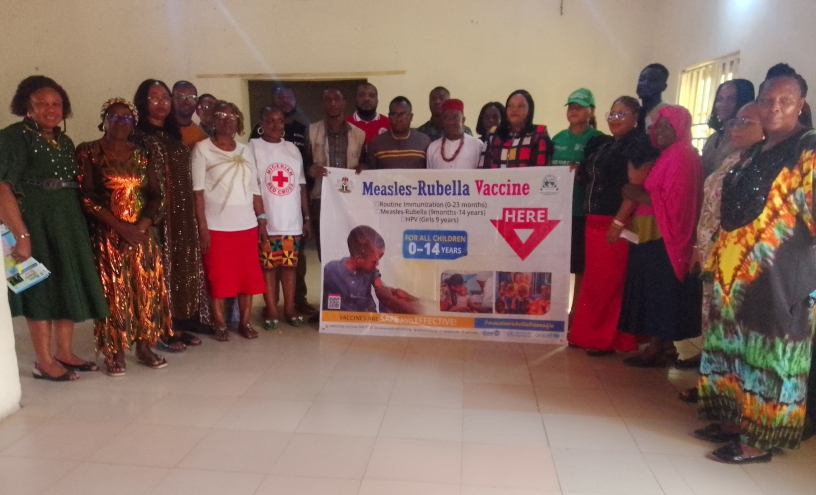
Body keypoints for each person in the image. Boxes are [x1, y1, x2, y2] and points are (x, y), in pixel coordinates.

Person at [695, 69, 816, 463]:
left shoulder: (808, 148)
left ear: (800, 105)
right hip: (735, 270)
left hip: (781, 273)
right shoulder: (754, 151)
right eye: (767, 100)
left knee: (770, 353)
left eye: (785, 100)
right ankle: (734, 422)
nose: (774, 107)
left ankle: (759, 440)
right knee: (732, 345)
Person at [0, 75, 109, 381]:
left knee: (65, 283)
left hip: (67, 220)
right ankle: (44, 361)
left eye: (56, 104)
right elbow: (4, 187)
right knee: (39, 288)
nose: (51, 110)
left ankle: (64, 351)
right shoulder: (14, 137)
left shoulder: (65, 141)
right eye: (42, 104)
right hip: (35, 221)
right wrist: (21, 235)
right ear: (27, 107)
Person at [676, 102, 764, 400]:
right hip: (710, 254)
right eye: (735, 121)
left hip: (736, 260)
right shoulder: (733, 159)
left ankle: (726, 394)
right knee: (711, 322)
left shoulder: (763, 165)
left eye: (746, 122)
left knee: (730, 327)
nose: (736, 127)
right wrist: (698, 247)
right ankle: (710, 386)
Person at [77, 98, 171, 375]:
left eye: (127, 118)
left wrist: (139, 228)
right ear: (104, 121)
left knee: (146, 290)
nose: (120, 122)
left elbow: (158, 196)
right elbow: (87, 196)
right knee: (113, 292)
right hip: (108, 234)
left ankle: (145, 345)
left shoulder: (144, 154)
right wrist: (121, 227)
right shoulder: (89, 151)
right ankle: (114, 349)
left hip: (142, 235)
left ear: (134, 124)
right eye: (114, 117)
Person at [619, 105, 703, 367]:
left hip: (666, 234)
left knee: (660, 291)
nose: (661, 131)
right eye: (659, 125)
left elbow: (676, 200)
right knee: (658, 290)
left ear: (682, 128)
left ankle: (656, 348)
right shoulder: (671, 154)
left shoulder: (681, 155)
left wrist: (639, 195)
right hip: (657, 232)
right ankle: (663, 345)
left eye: (669, 125)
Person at [134, 79, 205, 348]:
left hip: (183, 211)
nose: (161, 102)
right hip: (156, 213)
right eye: (154, 97)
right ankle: (159, 328)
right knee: (159, 270)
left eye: (165, 97)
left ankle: (180, 320)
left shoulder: (174, 133)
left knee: (182, 266)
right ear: (143, 102)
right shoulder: (138, 136)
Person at [192, 101, 266, 341]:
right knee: (219, 278)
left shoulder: (245, 150)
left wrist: (262, 220)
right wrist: (203, 228)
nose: (227, 120)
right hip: (217, 227)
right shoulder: (202, 149)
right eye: (221, 115)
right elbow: (198, 193)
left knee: (247, 278)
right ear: (212, 120)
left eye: (232, 116)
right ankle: (220, 324)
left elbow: (255, 190)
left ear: (239, 121)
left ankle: (245, 323)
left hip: (246, 226)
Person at [248, 86, 314, 316]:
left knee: (289, 266)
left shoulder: (292, 149)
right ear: (261, 123)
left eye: (279, 120)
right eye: (270, 120)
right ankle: (271, 309)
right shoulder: (252, 147)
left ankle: (289, 308)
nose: (276, 125)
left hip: (291, 221)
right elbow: (252, 186)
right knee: (269, 267)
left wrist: (306, 217)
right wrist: (260, 218)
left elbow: (301, 186)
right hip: (268, 220)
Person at [551, 88, 603, 326]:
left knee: (580, 266)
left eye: (580, 107)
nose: (574, 111)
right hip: (557, 213)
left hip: (582, 212)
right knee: (558, 263)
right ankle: (556, 310)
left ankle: (576, 314)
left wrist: (582, 172)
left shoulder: (598, 140)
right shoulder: (557, 139)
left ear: (590, 111)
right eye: (571, 106)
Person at [307, 88, 365, 259]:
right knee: (325, 250)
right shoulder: (312, 131)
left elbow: (365, 163)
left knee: (351, 248)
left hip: (350, 201)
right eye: (328, 99)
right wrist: (310, 170)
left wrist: (363, 167)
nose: (333, 103)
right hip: (321, 200)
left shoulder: (359, 134)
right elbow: (303, 164)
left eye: (337, 99)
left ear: (344, 104)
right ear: (323, 104)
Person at [322, 225, 420, 313]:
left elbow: (379, 286)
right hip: (343, 319)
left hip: (368, 317)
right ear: (359, 260)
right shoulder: (331, 270)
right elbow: (327, 298)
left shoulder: (371, 271)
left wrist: (387, 294)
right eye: (374, 261)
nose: (377, 264)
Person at [482, 90, 552, 168]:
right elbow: (483, 168)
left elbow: (543, 169)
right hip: (497, 177)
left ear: (529, 110)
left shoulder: (539, 133)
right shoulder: (494, 133)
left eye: (520, 106)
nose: (514, 109)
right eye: (510, 105)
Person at [700, 79, 756, 177]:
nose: (723, 104)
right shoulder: (713, 139)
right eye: (719, 99)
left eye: (731, 99)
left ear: (743, 101)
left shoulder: (745, 141)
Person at [366, 96, 431, 170]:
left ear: (411, 117)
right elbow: (369, 173)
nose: (399, 119)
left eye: (403, 114)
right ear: (389, 116)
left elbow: (432, 173)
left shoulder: (424, 142)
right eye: (394, 114)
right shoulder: (377, 143)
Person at [427, 99, 485, 169]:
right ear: (442, 122)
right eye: (447, 118)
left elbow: (483, 173)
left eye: (456, 117)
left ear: (463, 120)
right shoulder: (433, 147)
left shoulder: (477, 145)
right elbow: (429, 175)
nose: (451, 122)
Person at [172, 81, 209, 148]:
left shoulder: (201, 137)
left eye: (192, 97)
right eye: (181, 97)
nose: (187, 102)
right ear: (172, 99)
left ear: (196, 101)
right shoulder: (161, 129)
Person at [637, 63, 670, 131]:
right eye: (642, 79)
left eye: (653, 80)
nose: (645, 83)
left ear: (664, 87)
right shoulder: (634, 114)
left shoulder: (670, 114)